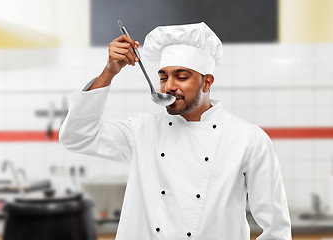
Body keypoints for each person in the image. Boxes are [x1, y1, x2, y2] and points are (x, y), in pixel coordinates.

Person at [59, 22, 292, 239]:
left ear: (207, 82)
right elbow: (76, 137)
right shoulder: (143, 130)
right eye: (163, 77)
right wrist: (108, 72)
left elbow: (277, 229)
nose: (169, 86)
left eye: (181, 76)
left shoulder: (248, 140)